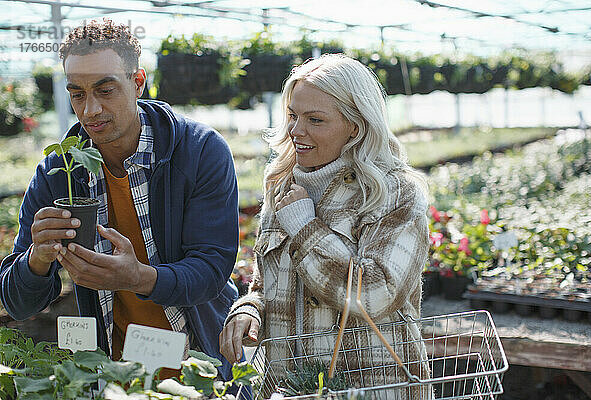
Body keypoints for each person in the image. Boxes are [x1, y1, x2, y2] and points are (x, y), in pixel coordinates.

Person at [0, 19, 239, 381]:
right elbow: (18, 303)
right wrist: (37, 260)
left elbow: (211, 269)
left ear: (138, 82)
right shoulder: (59, 170)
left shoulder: (199, 151)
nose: (90, 109)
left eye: (105, 89)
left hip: (198, 366)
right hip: (113, 374)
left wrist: (139, 278)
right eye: (77, 94)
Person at [220, 54, 432, 398]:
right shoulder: (281, 183)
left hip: (373, 387)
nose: (296, 131)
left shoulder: (393, 192)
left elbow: (375, 294)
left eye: (315, 119)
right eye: (293, 115)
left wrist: (306, 228)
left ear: (356, 124)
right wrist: (250, 310)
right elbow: (265, 284)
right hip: (290, 387)